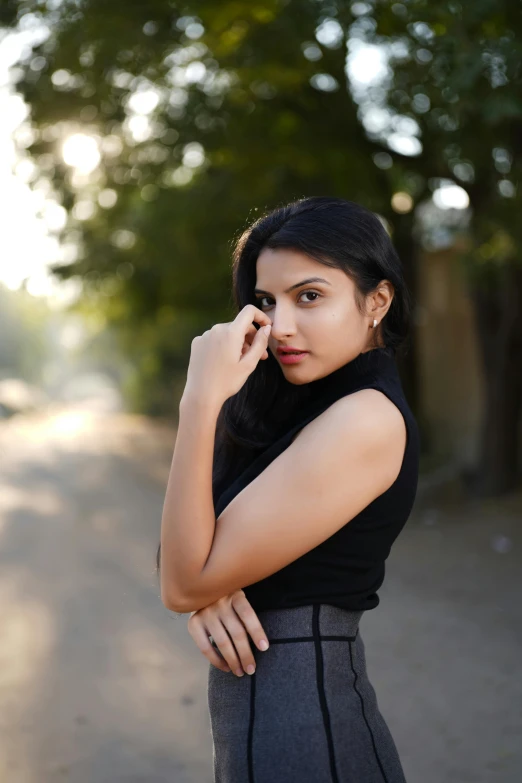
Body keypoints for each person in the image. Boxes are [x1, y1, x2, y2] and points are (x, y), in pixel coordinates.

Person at [157, 196, 420, 782]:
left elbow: (179, 579)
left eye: (309, 296)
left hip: (307, 736)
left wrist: (199, 400)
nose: (280, 326)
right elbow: (187, 549)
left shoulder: (365, 419)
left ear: (377, 300)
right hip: (272, 731)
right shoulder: (299, 404)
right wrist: (207, 582)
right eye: (266, 301)